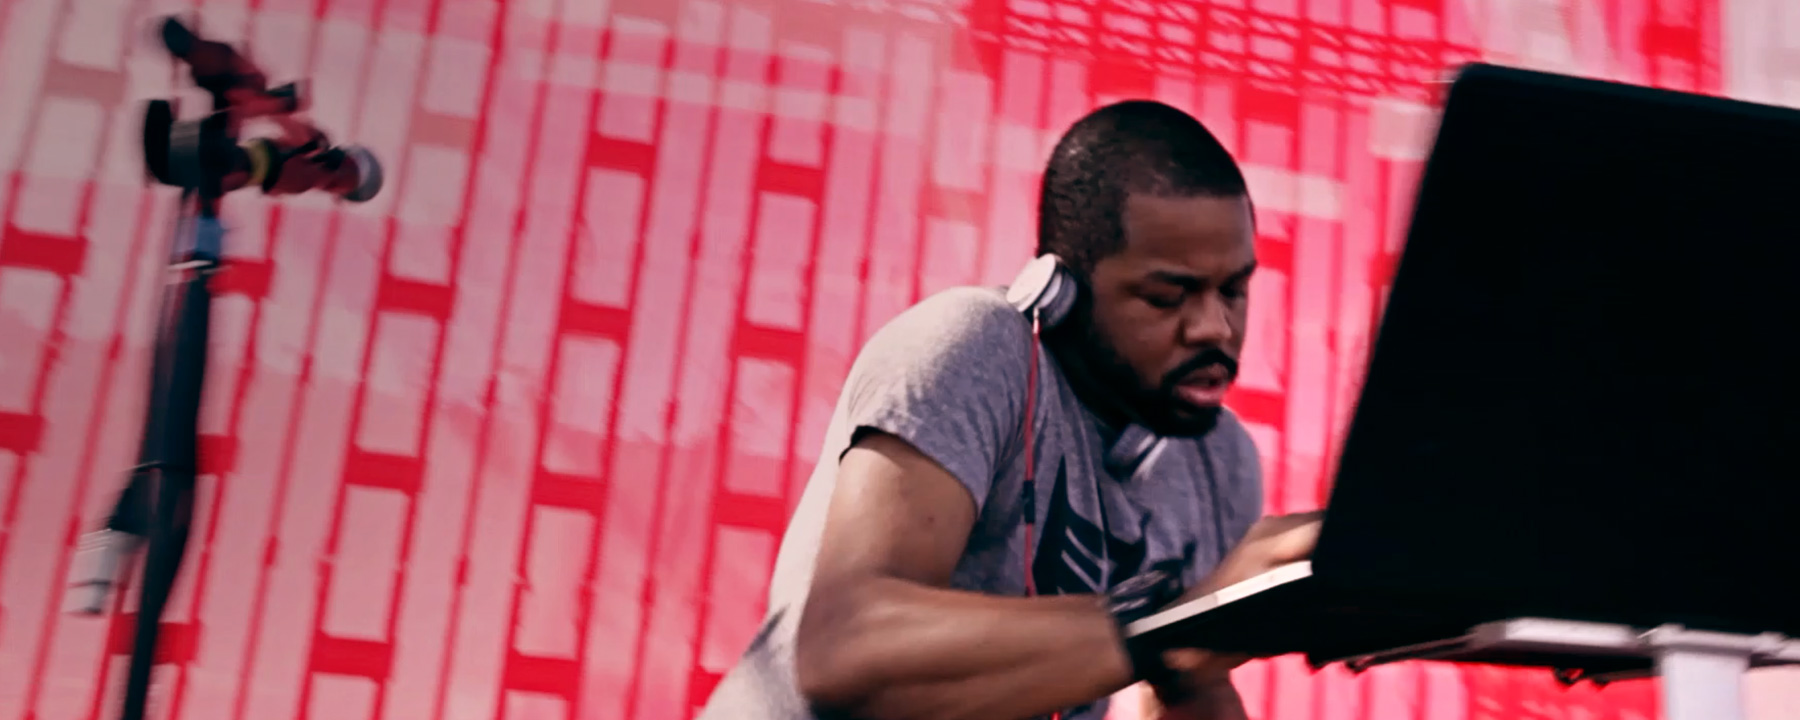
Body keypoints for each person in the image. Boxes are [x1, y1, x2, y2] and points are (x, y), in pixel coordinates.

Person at [696, 100, 1324, 720]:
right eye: (1167, 297)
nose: (1214, 328)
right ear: (1059, 292)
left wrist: (1281, 610)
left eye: (1233, 290)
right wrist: (1164, 625)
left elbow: (1186, 680)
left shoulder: (1219, 459)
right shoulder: (974, 348)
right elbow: (842, 651)